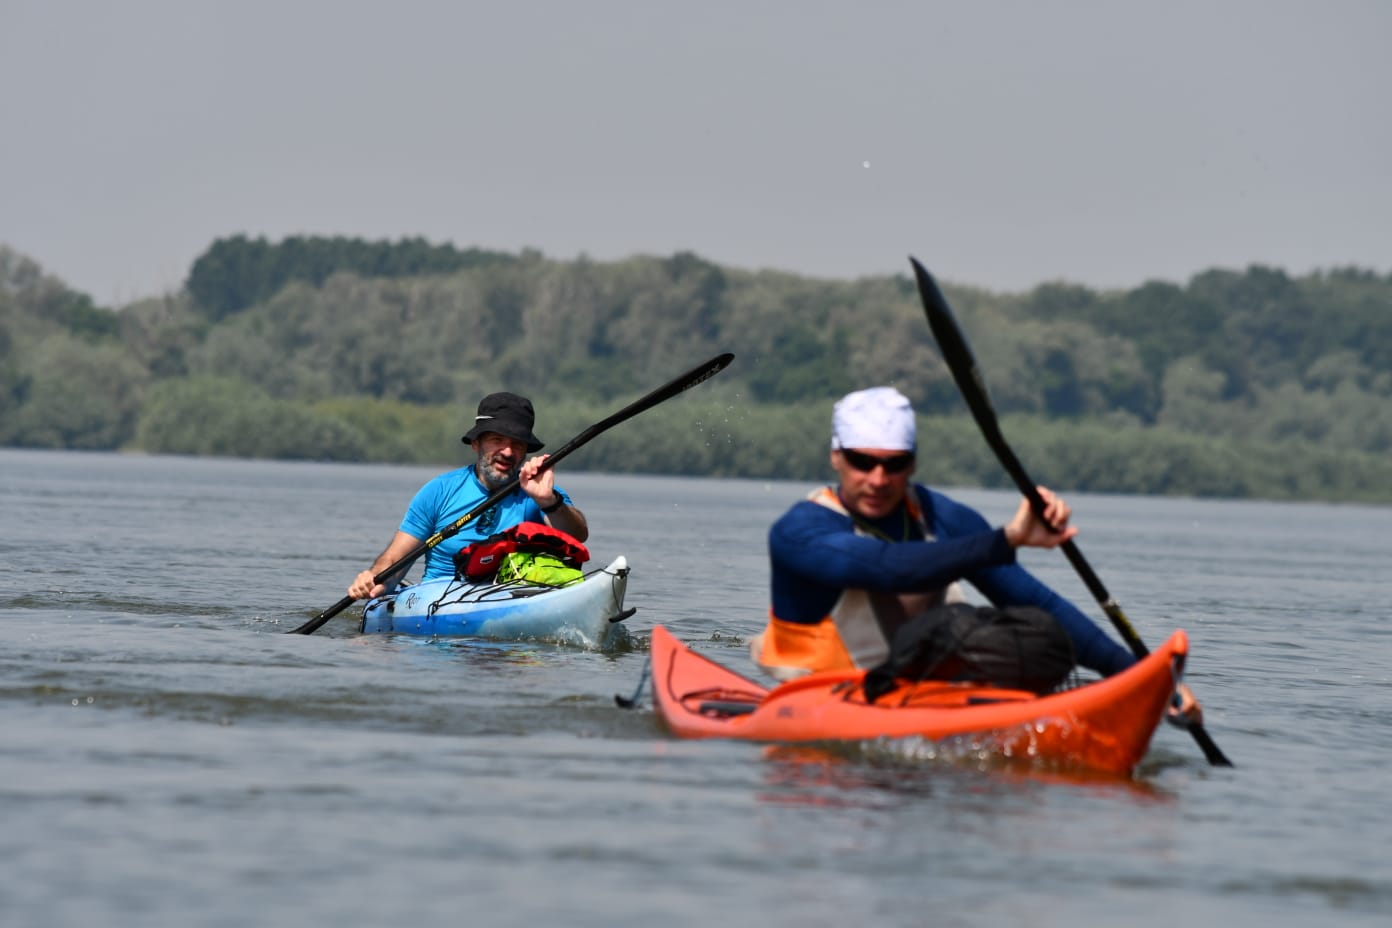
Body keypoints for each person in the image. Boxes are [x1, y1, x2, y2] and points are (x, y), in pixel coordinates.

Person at [753, 386, 1200, 722]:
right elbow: (888, 570)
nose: (877, 478)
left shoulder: (942, 516)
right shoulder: (800, 531)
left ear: (912, 462)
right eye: (861, 461)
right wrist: (1006, 539)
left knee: (1037, 630)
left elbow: (1037, 602)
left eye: (894, 464)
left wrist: (1148, 681)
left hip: (922, 694)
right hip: (813, 702)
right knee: (953, 622)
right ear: (836, 457)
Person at [347, 392, 588, 601]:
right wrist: (374, 578)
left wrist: (548, 501)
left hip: (510, 597)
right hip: (439, 601)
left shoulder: (541, 492)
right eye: (498, 440)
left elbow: (578, 535)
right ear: (476, 443)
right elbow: (395, 558)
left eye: (517, 444)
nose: (508, 451)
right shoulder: (439, 491)